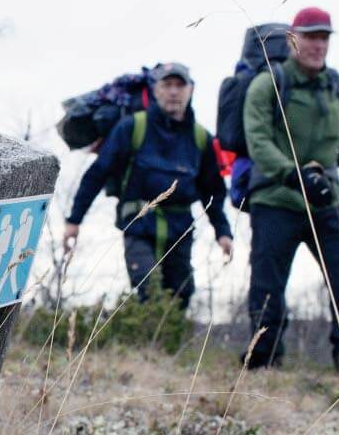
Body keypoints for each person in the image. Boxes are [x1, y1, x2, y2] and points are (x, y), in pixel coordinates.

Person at [241, 7, 339, 375]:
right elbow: (259, 141)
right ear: (292, 40)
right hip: (275, 200)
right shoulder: (268, 84)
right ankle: (263, 365)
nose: (318, 44)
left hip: (329, 202)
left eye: (324, 37)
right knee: (268, 289)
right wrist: (293, 175)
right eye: (311, 36)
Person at [63, 62, 233, 308]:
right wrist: (73, 221)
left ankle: (166, 345)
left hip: (180, 227)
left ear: (191, 90)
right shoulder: (133, 127)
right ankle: (143, 341)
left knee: (181, 293)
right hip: (138, 222)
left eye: (179, 85)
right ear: (156, 90)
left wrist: (223, 231)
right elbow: (97, 173)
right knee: (147, 287)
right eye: (167, 85)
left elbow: (213, 190)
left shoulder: (200, 138)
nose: (173, 91)